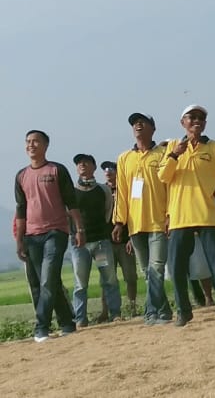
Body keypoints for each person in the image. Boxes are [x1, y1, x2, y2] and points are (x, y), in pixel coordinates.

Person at [158, 105, 215, 325]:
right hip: (179, 217)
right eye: (192, 117)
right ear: (182, 122)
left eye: (201, 118)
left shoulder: (214, 148)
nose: (197, 121)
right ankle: (184, 312)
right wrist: (175, 155)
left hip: (207, 216)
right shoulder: (172, 147)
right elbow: (163, 177)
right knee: (177, 269)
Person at [15, 130, 83, 342]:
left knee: (47, 280)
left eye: (35, 141)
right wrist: (19, 240)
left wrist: (79, 229)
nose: (31, 145)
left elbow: (72, 203)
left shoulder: (57, 170)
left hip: (56, 232)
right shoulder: (21, 176)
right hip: (32, 235)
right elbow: (20, 209)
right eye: (28, 142)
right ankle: (67, 323)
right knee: (49, 281)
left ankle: (41, 327)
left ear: (45, 145)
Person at [113, 112, 173, 324]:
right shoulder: (124, 158)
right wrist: (119, 221)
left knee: (157, 267)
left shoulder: (164, 154)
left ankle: (150, 312)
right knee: (148, 271)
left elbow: (172, 187)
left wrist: (170, 215)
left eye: (142, 122)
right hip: (135, 223)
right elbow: (122, 191)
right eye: (134, 123)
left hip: (158, 221)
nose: (138, 125)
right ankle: (164, 311)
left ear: (152, 128)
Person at [69, 154, 122, 326]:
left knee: (109, 278)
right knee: (80, 283)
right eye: (79, 163)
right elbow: (67, 215)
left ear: (93, 167)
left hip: (100, 242)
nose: (82, 165)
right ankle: (80, 318)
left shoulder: (103, 190)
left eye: (86, 162)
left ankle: (115, 313)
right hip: (79, 245)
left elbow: (108, 211)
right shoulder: (71, 192)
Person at [101, 161, 139, 317]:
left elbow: (135, 213)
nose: (108, 172)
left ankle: (132, 306)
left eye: (111, 169)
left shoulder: (128, 188)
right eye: (105, 169)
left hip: (125, 241)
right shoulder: (100, 190)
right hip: (103, 243)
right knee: (105, 279)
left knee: (130, 276)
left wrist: (132, 237)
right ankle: (106, 311)